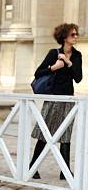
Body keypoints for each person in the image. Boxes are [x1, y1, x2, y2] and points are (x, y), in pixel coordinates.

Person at [30, 23, 82, 180]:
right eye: (73, 35)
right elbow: (38, 73)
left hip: (68, 98)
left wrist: (68, 62)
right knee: (44, 133)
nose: (75, 37)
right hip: (53, 98)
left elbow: (78, 78)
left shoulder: (77, 55)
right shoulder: (53, 53)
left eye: (76, 34)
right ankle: (33, 166)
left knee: (65, 136)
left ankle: (64, 171)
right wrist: (54, 67)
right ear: (64, 37)